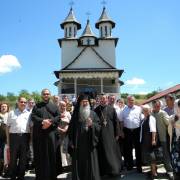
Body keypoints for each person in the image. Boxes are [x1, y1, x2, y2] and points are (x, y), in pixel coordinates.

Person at [68, 94, 101, 180]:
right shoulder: (75, 115)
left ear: (89, 103)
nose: (85, 103)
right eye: (83, 101)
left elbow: (98, 126)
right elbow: (71, 128)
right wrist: (71, 141)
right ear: (80, 103)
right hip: (78, 142)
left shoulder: (93, 114)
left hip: (89, 142)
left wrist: (92, 125)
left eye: (86, 101)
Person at [31, 89, 61, 180]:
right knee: (41, 155)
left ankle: (52, 176)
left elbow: (58, 117)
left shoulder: (54, 106)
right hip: (40, 135)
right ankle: (41, 176)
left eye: (47, 94)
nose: (46, 95)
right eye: (44, 94)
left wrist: (50, 122)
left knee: (52, 155)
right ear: (41, 95)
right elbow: (33, 116)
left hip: (51, 135)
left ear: (50, 95)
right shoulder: (37, 106)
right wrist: (43, 121)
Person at [94, 93, 122, 177]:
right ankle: (103, 171)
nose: (103, 100)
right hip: (101, 135)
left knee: (112, 152)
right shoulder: (95, 110)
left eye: (104, 98)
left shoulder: (112, 109)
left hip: (111, 134)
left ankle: (114, 170)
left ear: (107, 99)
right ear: (99, 100)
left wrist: (117, 133)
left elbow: (116, 122)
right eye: (101, 99)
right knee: (102, 153)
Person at [6, 97, 31, 180]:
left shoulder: (29, 114)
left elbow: (31, 128)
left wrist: (30, 139)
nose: (23, 103)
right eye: (21, 102)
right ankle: (12, 176)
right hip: (14, 137)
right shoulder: (11, 113)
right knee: (13, 159)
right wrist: (8, 140)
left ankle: (21, 176)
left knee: (23, 159)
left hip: (25, 137)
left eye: (25, 102)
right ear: (18, 102)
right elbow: (7, 127)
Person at [119, 95, 142, 172]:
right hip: (127, 131)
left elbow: (142, 119)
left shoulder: (139, 109)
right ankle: (130, 165)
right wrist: (122, 131)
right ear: (127, 101)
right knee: (128, 149)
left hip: (137, 131)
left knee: (138, 149)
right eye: (129, 100)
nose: (131, 101)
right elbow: (121, 121)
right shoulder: (123, 110)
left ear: (134, 101)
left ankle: (139, 166)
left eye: (132, 100)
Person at [152, 100, 174, 179]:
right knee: (154, 155)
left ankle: (169, 171)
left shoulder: (162, 113)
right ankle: (154, 171)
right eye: (155, 106)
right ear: (153, 106)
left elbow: (168, 123)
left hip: (163, 138)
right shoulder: (151, 114)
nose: (156, 107)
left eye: (158, 106)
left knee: (165, 155)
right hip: (154, 139)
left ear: (160, 106)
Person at [140, 104, 157, 178]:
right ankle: (152, 170)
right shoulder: (144, 118)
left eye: (146, 110)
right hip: (145, 140)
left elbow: (153, 130)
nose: (145, 111)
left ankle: (154, 173)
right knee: (149, 156)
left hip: (149, 139)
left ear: (149, 110)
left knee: (151, 156)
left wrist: (153, 140)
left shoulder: (151, 118)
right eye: (144, 110)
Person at [58, 101, 71, 167]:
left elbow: (71, 123)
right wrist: (60, 129)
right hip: (58, 134)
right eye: (61, 105)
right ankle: (62, 165)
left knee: (66, 149)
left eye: (64, 105)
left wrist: (66, 129)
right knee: (60, 150)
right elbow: (54, 123)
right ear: (59, 106)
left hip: (66, 134)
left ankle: (68, 165)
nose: (63, 107)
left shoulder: (68, 113)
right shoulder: (56, 113)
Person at [169, 99, 180, 180]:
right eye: (178, 105)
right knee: (175, 162)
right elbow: (170, 131)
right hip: (176, 143)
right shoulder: (172, 117)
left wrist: (176, 125)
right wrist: (172, 125)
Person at [0, 103, 9, 176]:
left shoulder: (10, 115)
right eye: (2, 106)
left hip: (6, 138)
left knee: (5, 155)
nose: (3, 107)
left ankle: (5, 170)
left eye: (5, 106)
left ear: (7, 108)